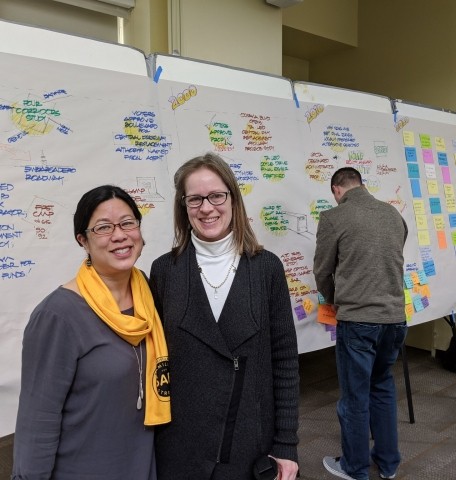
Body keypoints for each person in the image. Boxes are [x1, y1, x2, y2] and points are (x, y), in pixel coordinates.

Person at [149, 152, 299, 480]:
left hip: (247, 443)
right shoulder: (164, 271)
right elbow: (155, 362)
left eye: (216, 195)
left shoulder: (266, 268)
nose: (206, 207)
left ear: (232, 199)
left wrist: (286, 444)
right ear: (183, 206)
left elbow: (284, 360)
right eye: (195, 199)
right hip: (180, 447)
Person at [11, 185, 170, 480]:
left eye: (127, 223)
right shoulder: (58, 315)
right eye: (103, 228)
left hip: (142, 468)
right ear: (82, 240)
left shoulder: (148, 294)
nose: (119, 235)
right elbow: (38, 421)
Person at [313, 167, 408, 480]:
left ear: (337, 189)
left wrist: (334, 300)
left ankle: (354, 468)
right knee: (382, 387)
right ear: (360, 184)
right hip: (394, 319)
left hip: (358, 320)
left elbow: (323, 272)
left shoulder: (334, 217)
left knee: (354, 396)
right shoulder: (394, 215)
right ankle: (388, 463)